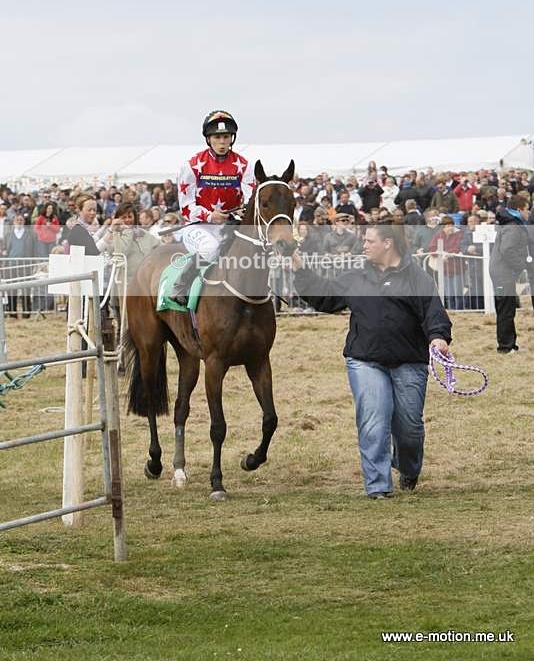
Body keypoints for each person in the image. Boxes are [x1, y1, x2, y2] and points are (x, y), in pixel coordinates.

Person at [291, 222, 452, 499]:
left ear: (387, 243)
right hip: (364, 360)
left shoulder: (416, 277)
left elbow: (433, 312)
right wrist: (297, 265)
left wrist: (439, 337)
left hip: (409, 361)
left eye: (369, 241)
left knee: (409, 428)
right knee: (374, 421)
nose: (363, 246)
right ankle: (378, 485)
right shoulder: (357, 277)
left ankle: (408, 468)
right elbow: (324, 295)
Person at [170, 110, 254, 304]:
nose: (222, 142)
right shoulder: (191, 166)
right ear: (209, 139)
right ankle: (179, 286)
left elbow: (249, 199)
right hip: (198, 227)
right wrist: (210, 216)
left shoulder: (244, 165)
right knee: (210, 248)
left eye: (226, 137)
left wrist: (244, 211)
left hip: (230, 227)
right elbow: (186, 207)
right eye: (217, 137)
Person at [489, 195, 534, 353]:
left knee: (507, 309)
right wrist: (521, 265)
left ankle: (510, 345)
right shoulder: (513, 225)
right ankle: (505, 347)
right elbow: (508, 249)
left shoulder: (510, 223)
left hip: (503, 272)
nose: (528, 213)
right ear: (520, 209)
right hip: (503, 273)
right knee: (506, 310)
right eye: (527, 209)